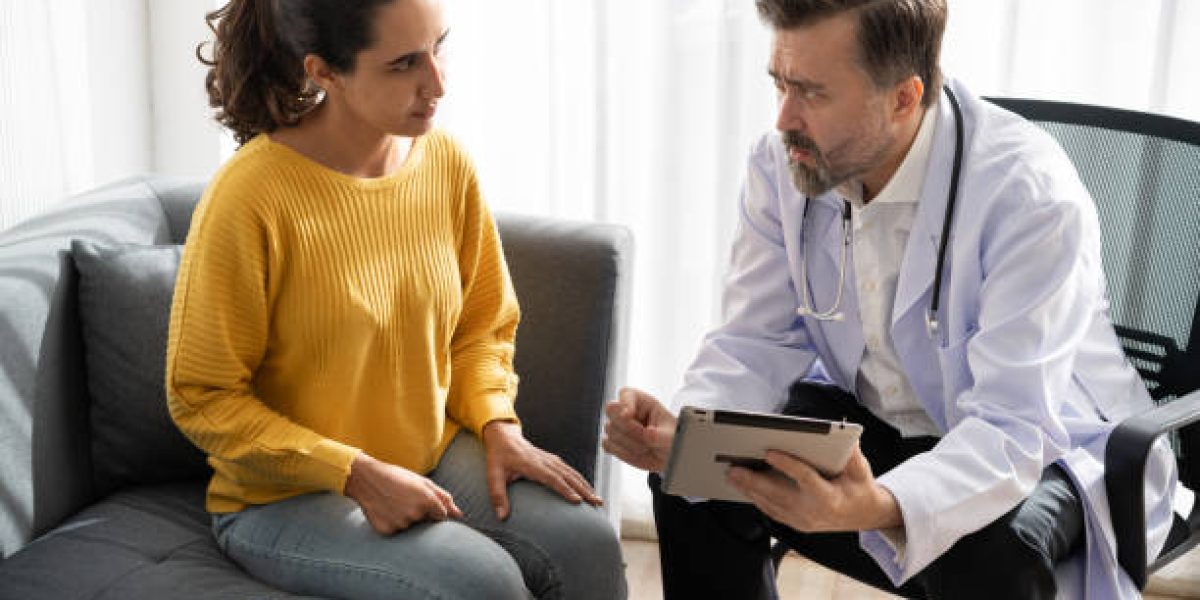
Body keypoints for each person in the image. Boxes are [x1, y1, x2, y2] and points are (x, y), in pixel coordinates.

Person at [603, 1, 1177, 598]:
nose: (783, 119)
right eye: (779, 84)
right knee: (696, 482)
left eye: (812, 93)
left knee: (990, 554)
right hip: (881, 414)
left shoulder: (1029, 197)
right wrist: (693, 430)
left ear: (904, 97)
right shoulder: (785, 163)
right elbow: (755, 339)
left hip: (1052, 443)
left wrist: (877, 505)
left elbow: (1013, 425)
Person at [165, 1, 627, 598]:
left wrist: (496, 423)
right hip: (283, 499)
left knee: (588, 542)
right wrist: (352, 472)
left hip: (429, 453)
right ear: (325, 72)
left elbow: (481, 328)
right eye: (405, 63)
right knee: (482, 583)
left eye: (439, 48)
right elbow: (203, 397)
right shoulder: (249, 197)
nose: (437, 83)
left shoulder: (446, 163)